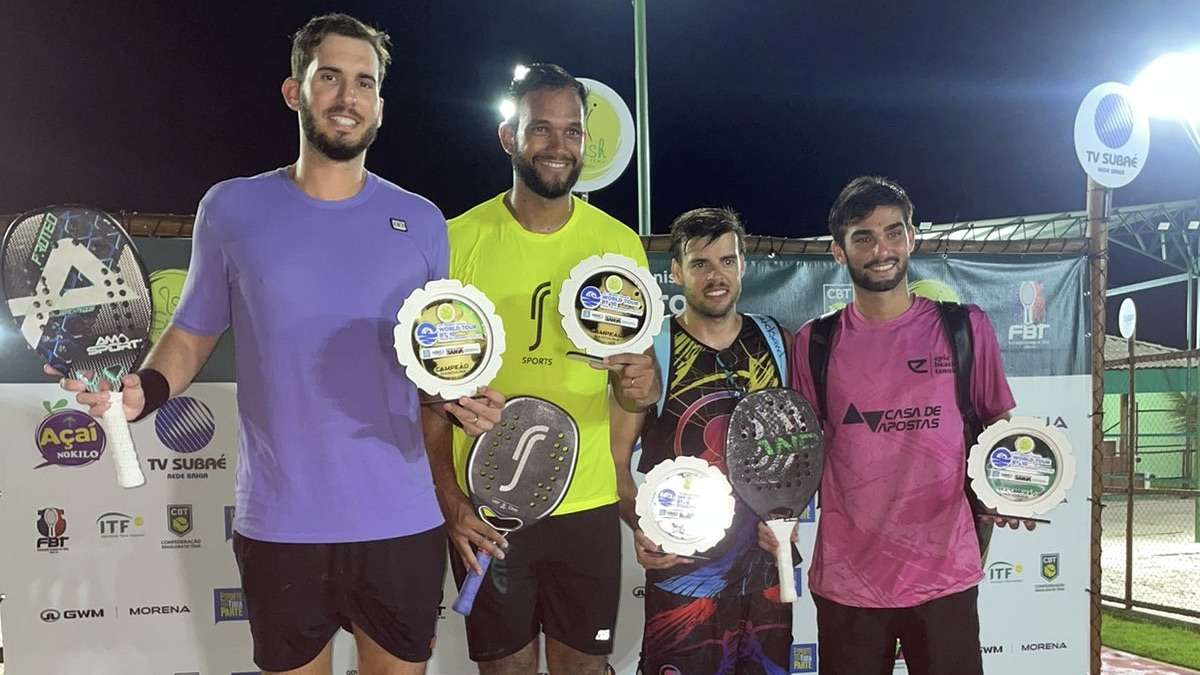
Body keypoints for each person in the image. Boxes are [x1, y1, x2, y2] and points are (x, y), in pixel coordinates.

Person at [52, 14, 500, 675]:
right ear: (296, 91)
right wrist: (142, 390)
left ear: (380, 104)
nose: (348, 97)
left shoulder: (423, 221)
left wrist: (459, 397)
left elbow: (433, 361)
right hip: (283, 523)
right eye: (330, 78)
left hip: (401, 521)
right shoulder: (232, 209)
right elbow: (193, 330)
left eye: (364, 82)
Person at [423, 63, 658, 675]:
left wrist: (641, 388)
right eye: (542, 130)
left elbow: (633, 382)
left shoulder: (619, 247)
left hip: (586, 507)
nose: (559, 147)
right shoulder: (455, 241)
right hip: (487, 505)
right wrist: (449, 497)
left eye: (573, 132)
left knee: (583, 669)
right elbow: (424, 394)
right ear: (509, 136)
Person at [788, 176, 1028, 675]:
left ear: (911, 239)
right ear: (838, 251)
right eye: (863, 237)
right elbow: (799, 455)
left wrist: (1012, 490)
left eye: (893, 233)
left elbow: (999, 427)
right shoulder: (815, 343)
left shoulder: (964, 327)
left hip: (945, 576)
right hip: (850, 581)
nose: (882, 249)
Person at [611, 207, 796, 675]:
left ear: (742, 266)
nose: (717, 276)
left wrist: (790, 519)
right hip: (684, 579)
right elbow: (612, 460)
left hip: (767, 576)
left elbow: (806, 450)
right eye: (700, 264)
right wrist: (643, 527)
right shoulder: (651, 351)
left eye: (727, 261)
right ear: (675, 272)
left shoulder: (777, 341)